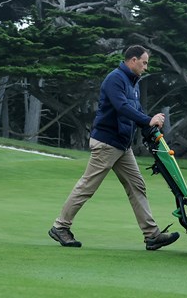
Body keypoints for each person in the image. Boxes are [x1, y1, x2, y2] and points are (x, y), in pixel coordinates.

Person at [49, 45, 179, 251]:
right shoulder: (115, 79)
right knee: (87, 187)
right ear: (133, 60)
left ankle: (152, 235)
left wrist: (148, 123)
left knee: (137, 186)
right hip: (107, 143)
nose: (146, 67)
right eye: (144, 62)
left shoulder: (132, 82)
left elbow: (136, 109)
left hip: (122, 145)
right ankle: (60, 227)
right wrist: (148, 120)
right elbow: (122, 107)